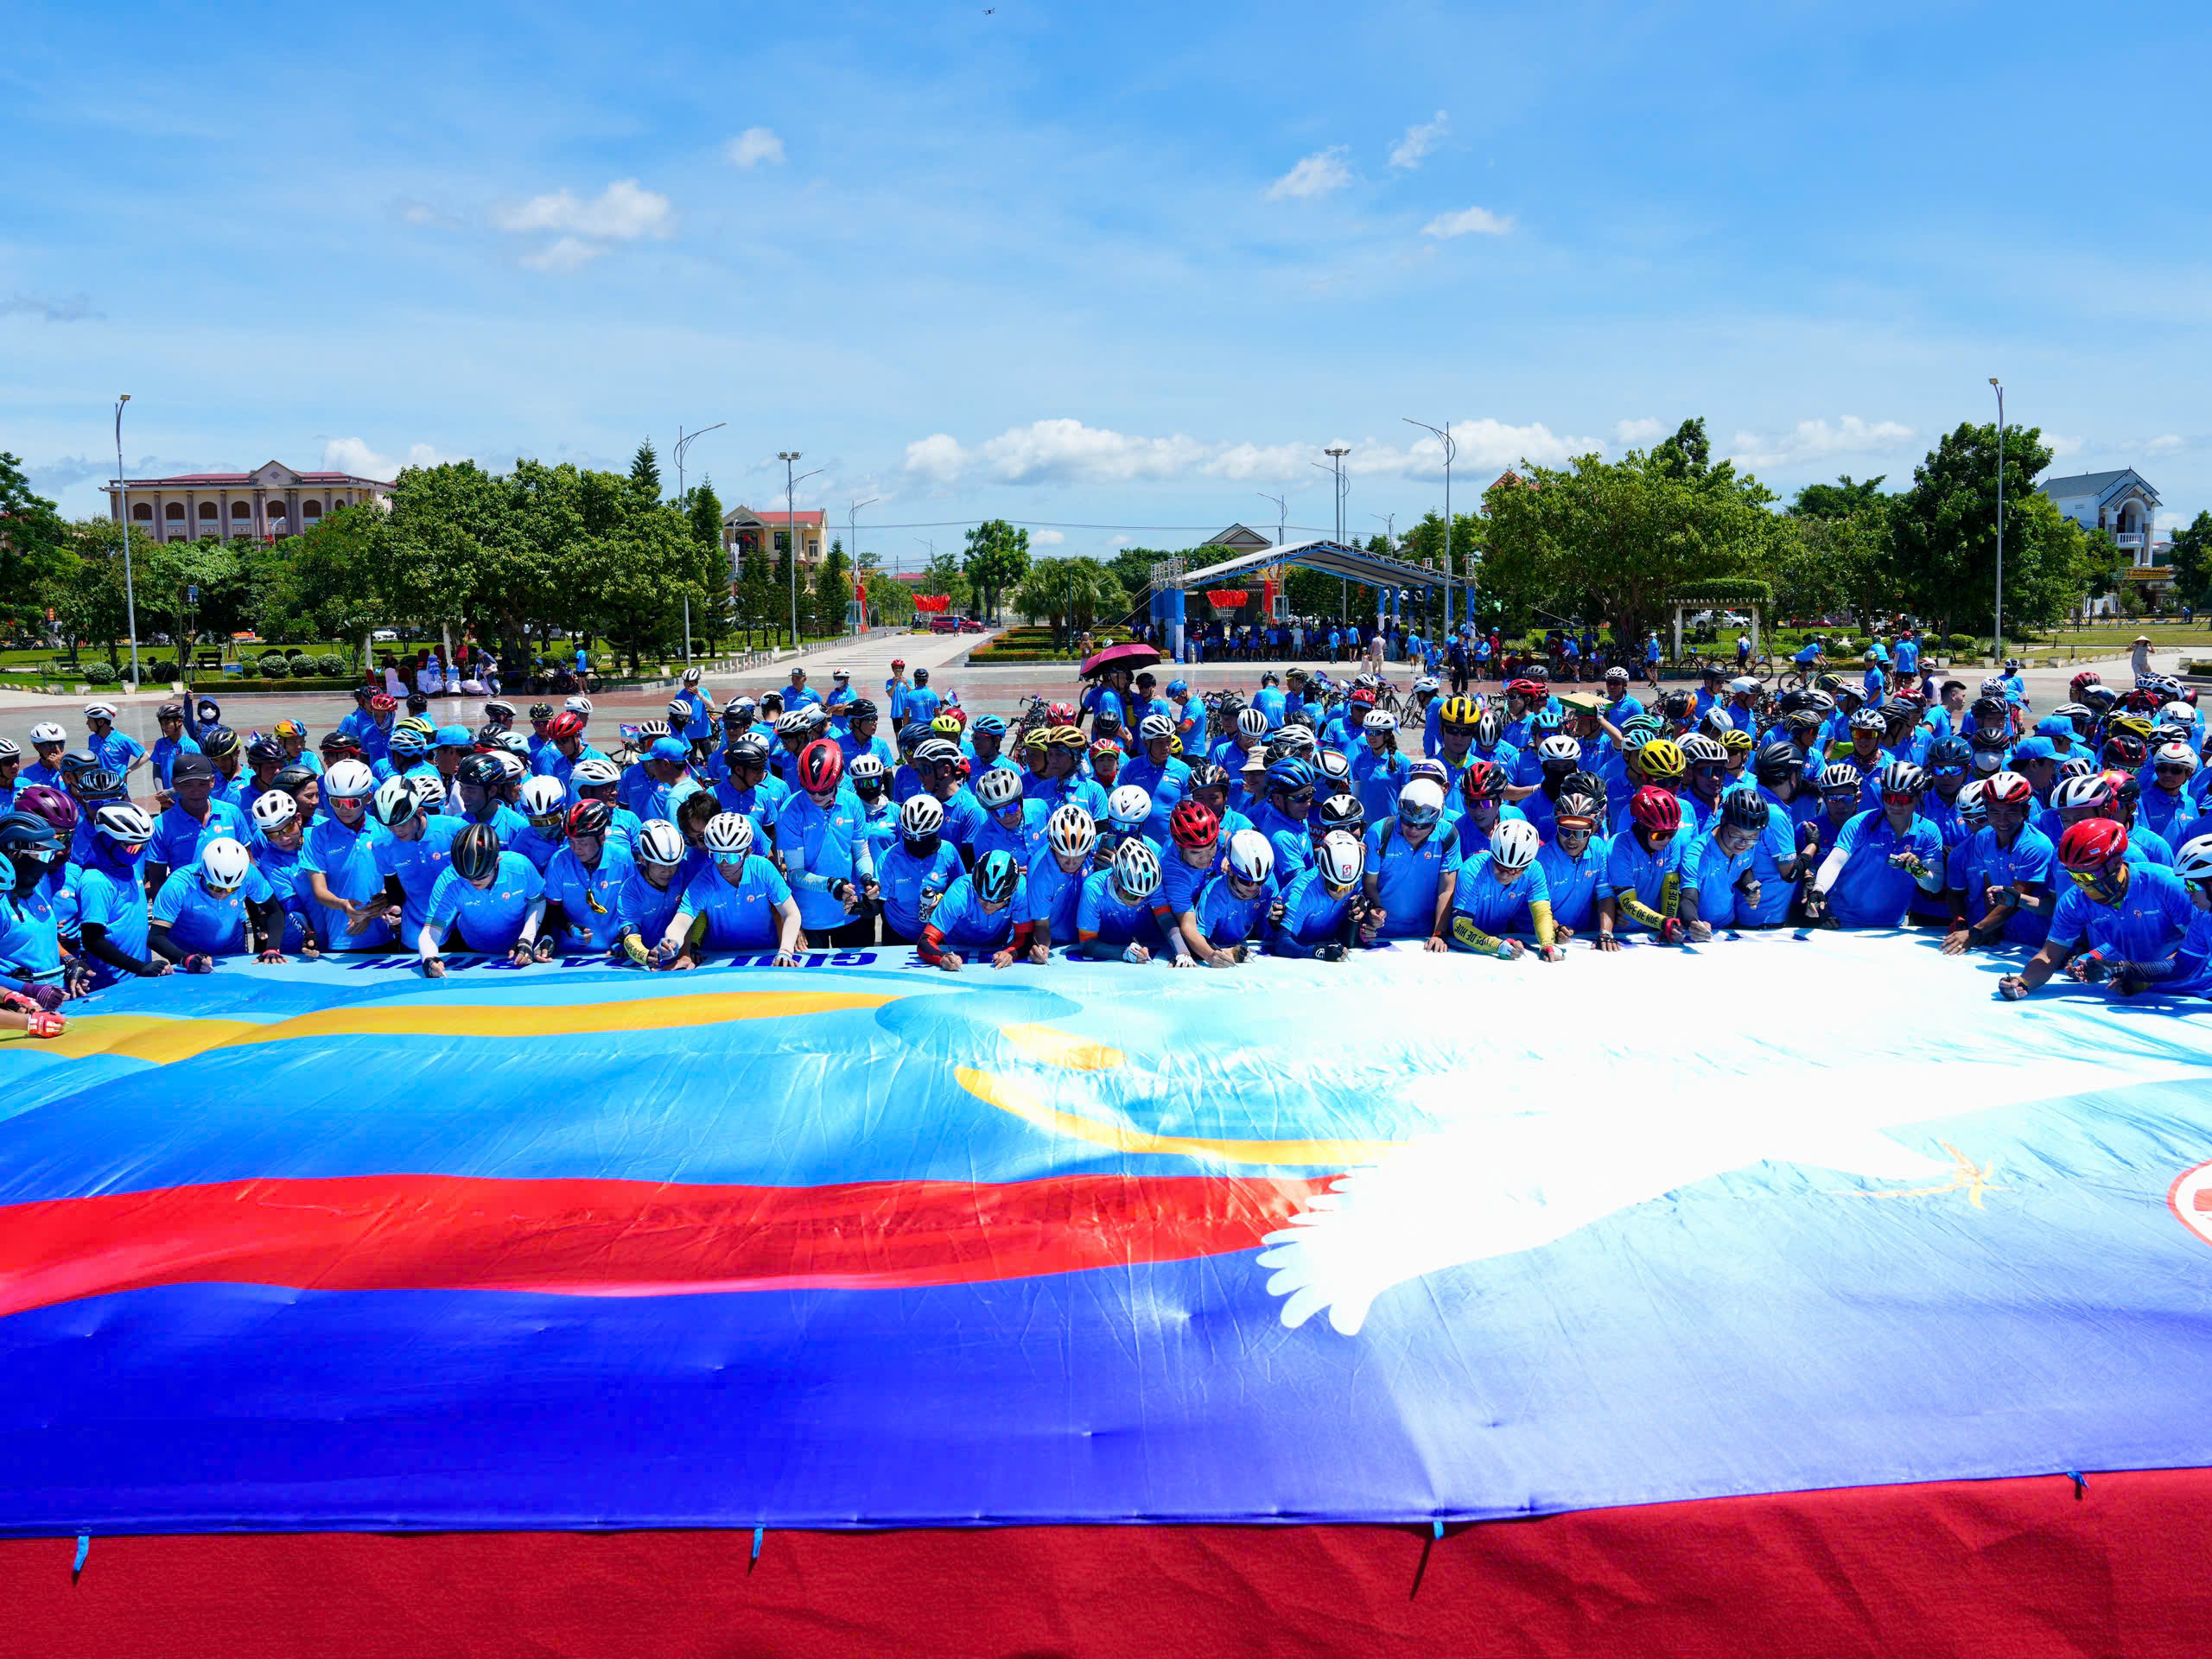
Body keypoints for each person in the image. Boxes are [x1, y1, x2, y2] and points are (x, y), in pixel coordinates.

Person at [2000, 818, 2195, 1001]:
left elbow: (2198, 949)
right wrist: (2023, 981)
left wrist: (2142, 976)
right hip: (2140, 992)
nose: (2082, 886)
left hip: (2195, 992)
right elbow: (2049, 956)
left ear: (2117, 863)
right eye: (2075, 877)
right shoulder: (2074, 902)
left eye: (2088, 877)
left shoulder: (2167, 884)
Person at [1802, 762, 1946, 929]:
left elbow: (1935, 886)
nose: (1895, 805)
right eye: (1889, 797)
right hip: (1844, 923)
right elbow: (1835, 861)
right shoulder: (1860, 823)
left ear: (1920, 796)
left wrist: (1918, 870)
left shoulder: (1930, 831)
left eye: (1904, 799)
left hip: (1893, 927)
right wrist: (1819, 889)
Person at [656, 814, 803, 969]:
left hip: (764, 957)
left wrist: (785, 951)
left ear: (748, 852)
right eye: (717, 855)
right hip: (719, 961)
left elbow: (791, 913)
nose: (724, 864)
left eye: (732, 857)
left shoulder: (763, 869)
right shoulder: (703, 881)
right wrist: (671, 942)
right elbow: (682, 920)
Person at [1449, 818, 1560, 961]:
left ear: (1526, 867)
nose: (1503, 875)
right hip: (1459, 944)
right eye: (1499, 866)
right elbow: (1460, 926)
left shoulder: (1535, 870)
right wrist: (1496, 945)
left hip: (1501, 941)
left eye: (1513, 871)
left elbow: (1542, 913)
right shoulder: (1471, 870)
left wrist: (1547, 943)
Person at [920, 849, 1029, 971]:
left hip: (1000, 947)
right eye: (982, 898)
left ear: (1011, 894)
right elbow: (925, 941)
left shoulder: (1020, 890)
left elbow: (1025, 938)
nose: (988, 906)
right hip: (956, 948)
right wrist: (942, 958)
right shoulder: (959, 892)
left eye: (997, 901)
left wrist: (1010, 954)